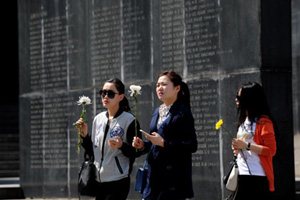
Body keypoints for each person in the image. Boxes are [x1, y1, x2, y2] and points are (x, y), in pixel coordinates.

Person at [132, 71, 198, 200]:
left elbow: (192, 145)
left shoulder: (183, 112)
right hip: (154, 175)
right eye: (157, 85)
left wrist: (164, 143)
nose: (159, 88)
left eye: (164, 84)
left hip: (173, 178)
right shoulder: (157, 111)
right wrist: (143, 145)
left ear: (177, 88)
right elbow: (154, 144)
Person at [75, 78, 142, 200]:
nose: (105, 96)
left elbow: (137, 151)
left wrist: (121, 146)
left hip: (118, 181)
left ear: (120, 97)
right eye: (103, 92)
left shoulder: (130, 120)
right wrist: (84, 136)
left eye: (110, 94)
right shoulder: (98, 119)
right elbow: (93, 151)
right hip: (98, 180)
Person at [231, 82, 276, 200]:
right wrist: (236, 148)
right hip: (242, 174)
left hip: (257, 176)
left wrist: (246, 145)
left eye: (239, 97)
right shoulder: (243, 121)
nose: (236, 99)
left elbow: (271, 150)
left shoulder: (264, 123)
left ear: (248, 100)